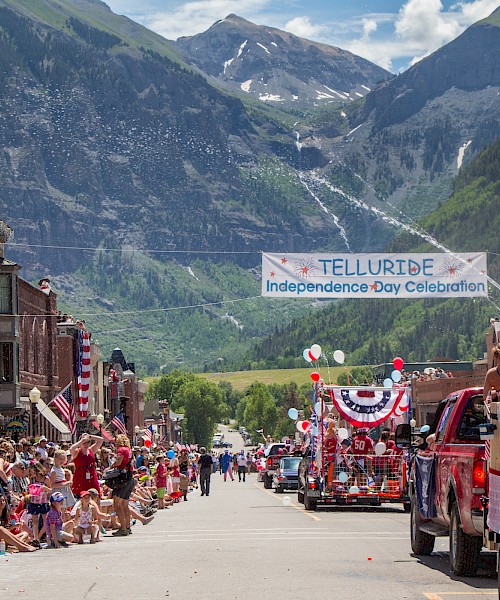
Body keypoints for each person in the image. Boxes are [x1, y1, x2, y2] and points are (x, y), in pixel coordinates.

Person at [111, 433, 135, 537]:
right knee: (125, 504)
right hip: (130, 477)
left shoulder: (121, 450)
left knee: (117, 504)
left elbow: (118, 462)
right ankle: (128, 526)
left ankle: (123, 527)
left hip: (121, 479)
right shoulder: (129, 451)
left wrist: (111, 466)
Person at [70, 433, 103, 498]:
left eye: (87, 442)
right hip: (80, 476)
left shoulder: (91, 450)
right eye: (84, 443)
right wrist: (82, 440)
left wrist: (90, 436)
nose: (86, 444)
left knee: (96, 495)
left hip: (91, 475)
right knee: (80, 495)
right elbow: (71, 448)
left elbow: (101, 440)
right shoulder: (77, 452)